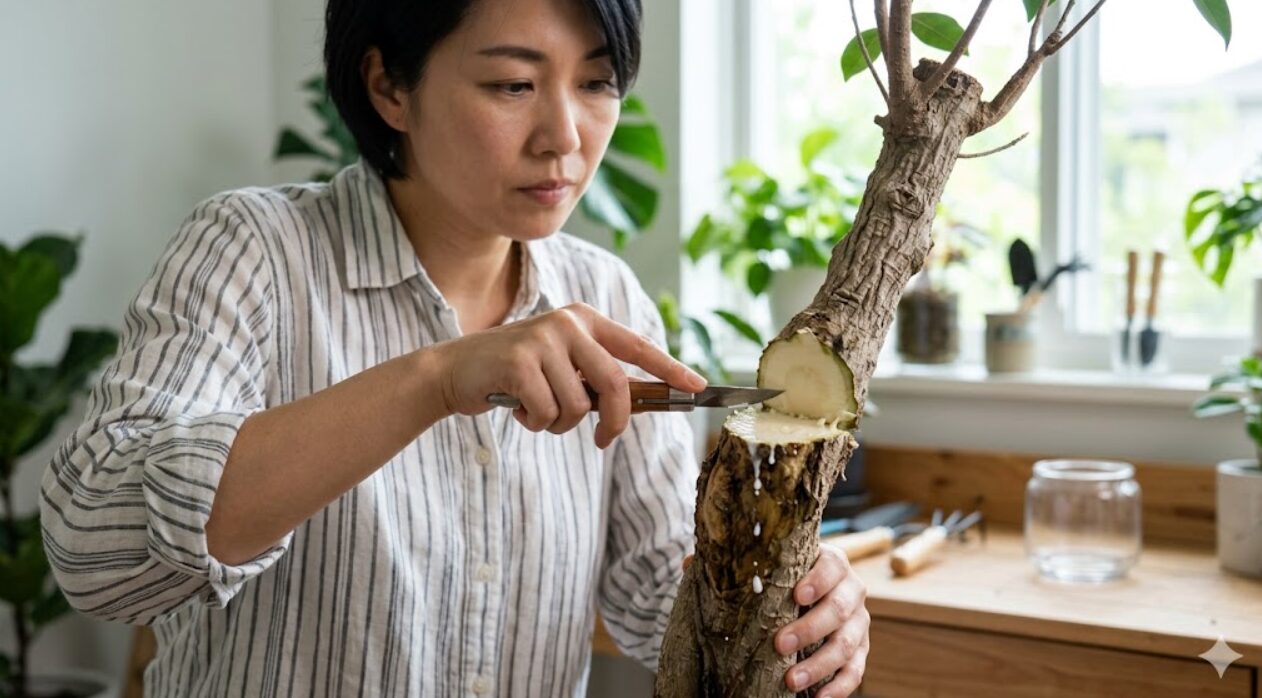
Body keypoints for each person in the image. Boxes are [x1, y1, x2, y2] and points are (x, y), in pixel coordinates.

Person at [40, 0, 869, 695]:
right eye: (513, 83)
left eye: (596, 83)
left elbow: (659, 595)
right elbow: (94, 552)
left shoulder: (606, 294)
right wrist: (433, 379)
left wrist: (794, 614)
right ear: (388, 86)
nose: (564, 136)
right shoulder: (256, 251)